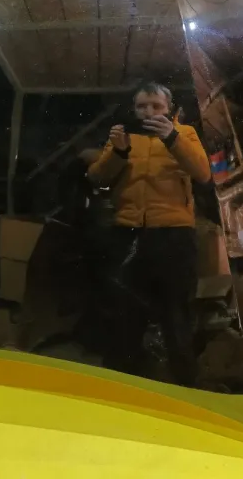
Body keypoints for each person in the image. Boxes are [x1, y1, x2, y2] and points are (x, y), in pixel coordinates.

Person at [88, 81, 211, 386]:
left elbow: (202, 173)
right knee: (125, 311)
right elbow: (98, 178)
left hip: (174, 234)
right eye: (142, 106)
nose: (148, 111)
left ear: (170, 109)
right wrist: (118, 151)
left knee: (176, 312)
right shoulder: (124, 136)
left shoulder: (185, 133)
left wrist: (172, 138)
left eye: (156, 106)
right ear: (134, 109)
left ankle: (185, 383)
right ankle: (122, 382)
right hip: (128, 232)